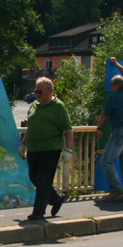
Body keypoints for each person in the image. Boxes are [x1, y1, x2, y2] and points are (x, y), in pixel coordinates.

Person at [20, 77, 74, 221]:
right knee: (33, 177)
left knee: (44, 179)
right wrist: (23, 144)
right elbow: (31, 126)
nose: (37, 94)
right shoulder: (34, 106)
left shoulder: (58, 107)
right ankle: (55, 198)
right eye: (35, 91)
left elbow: (68, 130)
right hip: (33, 147)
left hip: (51, 148)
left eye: (40, 92)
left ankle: (38, 212)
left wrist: (68, 150)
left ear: (50, 91)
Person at [95, 57, 123, 202]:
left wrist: (99, 128)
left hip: (120, 133)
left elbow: (104, 115)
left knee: (106, 161)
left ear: (117, 86)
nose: (110, 88)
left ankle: (117, 189)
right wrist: (117, 64)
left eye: (112, 86)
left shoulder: (113, 98)